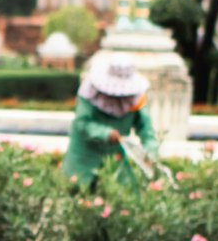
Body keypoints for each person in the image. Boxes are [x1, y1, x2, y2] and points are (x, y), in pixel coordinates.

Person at [63, 54, 158, 187]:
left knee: (117, 196)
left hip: (116, 158)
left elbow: (146, 130)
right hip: (84, 157)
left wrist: (150, 153)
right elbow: (81, 123)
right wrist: (106, 133)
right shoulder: (90, 91)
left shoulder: (136, 98)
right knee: (80, 194)